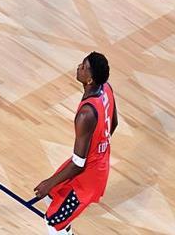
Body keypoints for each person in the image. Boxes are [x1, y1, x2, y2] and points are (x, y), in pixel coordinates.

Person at [34, 52, 118, 235]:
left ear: (90, 79)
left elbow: (78, 165)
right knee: (52, 197)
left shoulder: (86, 114)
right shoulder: (106, 88)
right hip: (95, 161)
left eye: (84, 67)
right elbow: (114, 123)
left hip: (89, 176)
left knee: (53, 221)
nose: (79, 67)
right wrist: (99, 144)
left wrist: (48, 183)